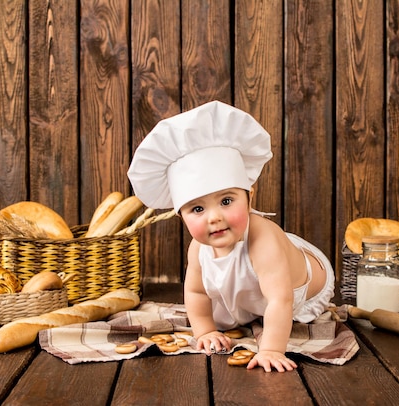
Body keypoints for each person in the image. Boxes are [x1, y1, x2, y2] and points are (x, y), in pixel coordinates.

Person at [127, 101, 335, 372]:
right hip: (254, 290)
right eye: (198, 209)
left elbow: (279, 300)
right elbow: (196, 292)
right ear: (181, 217)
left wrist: (270, 349)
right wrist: (204, 331)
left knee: (271, 288)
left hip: (304, 285)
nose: (214, 217)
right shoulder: (198, 249)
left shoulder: (263, 240)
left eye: (226, 201)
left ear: (250, 198)